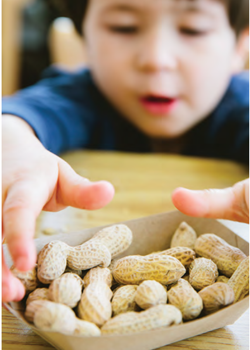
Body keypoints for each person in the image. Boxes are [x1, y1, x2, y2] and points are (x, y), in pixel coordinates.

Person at [2, 0, 249, 303]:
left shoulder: (241, 106)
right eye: (124, 26)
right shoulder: (77, 98)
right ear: (84, 41)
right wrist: (12, 149)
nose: (156, 59)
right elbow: (16, 118)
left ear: (240, 46)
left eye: (192, 29)